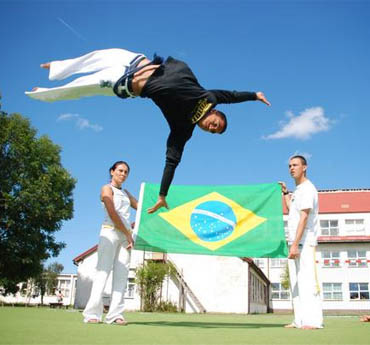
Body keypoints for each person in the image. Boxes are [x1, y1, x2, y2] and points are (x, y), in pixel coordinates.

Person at [26, 48, 271, 213]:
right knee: (97, 56)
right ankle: (56, 67)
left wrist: (163, 194)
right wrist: (254, 95)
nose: (211, 128)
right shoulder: (210, 97)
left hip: (123, 83)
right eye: (215, 124)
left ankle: (43, 93)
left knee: (82, 88)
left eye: (213, 132)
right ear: (215, 113)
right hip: (135, 61)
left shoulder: (182, 129)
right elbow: (232, 96)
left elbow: (172, 162)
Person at [83, 161, 137, 325]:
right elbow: (112, 212)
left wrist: (160, 200)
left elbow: (143, 208)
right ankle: (92, 314)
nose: (123, 174)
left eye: (126, 172)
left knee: (122, 276)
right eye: (120, 170)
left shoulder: (126, 193)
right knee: (102, 272)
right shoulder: (106, 189)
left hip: (125, 237)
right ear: (112, 172)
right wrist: (129, 234)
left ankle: (115, 315)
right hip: (110, 231)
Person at [279, 155, 323, 330]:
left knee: (308, 281)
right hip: (295, 242)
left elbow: (304, 218)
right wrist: (285, 192)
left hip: (305, 242)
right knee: (296, 282)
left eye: (295, 165)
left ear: (304, 167)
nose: (291, 168)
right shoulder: (297, 191)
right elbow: (292, 210)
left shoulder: (308, 189)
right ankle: (299, 320)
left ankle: (314, 321)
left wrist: (296, 244)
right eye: (289, 165)